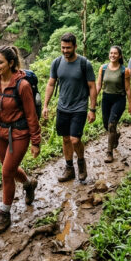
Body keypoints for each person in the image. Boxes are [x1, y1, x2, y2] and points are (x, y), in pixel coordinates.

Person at [0, 46, 40, 234]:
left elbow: (31, 116)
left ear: (11, 63)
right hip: (1, 133)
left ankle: (5, 214)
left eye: (0, 62)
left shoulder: (23, 85)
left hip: (19, 134)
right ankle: (29, 183)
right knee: (7, 167)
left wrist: (36, 141)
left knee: (6, 172)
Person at [42, 32, 97, 182]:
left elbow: (92, 87)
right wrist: (45, 105)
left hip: (79, 107)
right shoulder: (57, 63)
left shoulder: (84, 63)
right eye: (63, 48)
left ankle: (81, 162)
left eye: (68, 48)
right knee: (66, 139)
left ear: (75, 47)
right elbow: (51, 83)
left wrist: (92, 109)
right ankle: (69, 168)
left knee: (74, 139)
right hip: (62, 107)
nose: (65, 51)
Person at [96, 46, 131, 163]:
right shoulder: (103, 68)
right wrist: (93, 98)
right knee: (106, 126)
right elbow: (98, 85)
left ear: (120, 56)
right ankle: (115, 136)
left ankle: (109, 152)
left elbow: (127, 88)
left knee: (112, 124)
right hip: (106, 98)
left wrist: (130, 104)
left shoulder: (124, 70)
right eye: (111, 53)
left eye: (115, 53)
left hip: (119, 99)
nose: (113, 55)